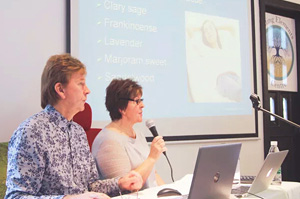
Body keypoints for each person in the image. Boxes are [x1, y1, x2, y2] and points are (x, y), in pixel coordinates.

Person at [5, 54, 143, 199]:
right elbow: (16, 196)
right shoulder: (31, 132)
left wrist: (120, 183)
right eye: (80, 83)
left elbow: (90, 186)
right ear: (60, 90)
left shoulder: (78, 132)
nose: (87, 90)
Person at [92, 78, 166, 190]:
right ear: (121, 108)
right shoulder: (108, 141)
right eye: (137, 101)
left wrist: (171, 192)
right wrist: (152, 158)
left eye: (141, 100)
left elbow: (153, 174)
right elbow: (127, 187)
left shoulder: (139, 134)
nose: (142, 105)